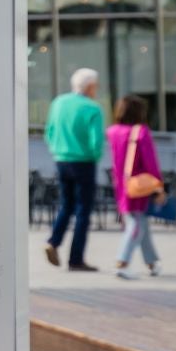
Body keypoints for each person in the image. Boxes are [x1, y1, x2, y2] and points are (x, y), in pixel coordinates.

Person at [43, 66, 106, 272]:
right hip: (84, 162)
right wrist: (95, 156)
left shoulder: (58, 103)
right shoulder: (93, 108)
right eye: (95, 86)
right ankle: (76, 259)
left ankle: (53, 241)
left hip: (61, 160)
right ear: (89, 86)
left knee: (66, 204)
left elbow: (49, 131)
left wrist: (57, 151)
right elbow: (97, 141)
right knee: (83, 211)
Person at [108, 94, 165, 280]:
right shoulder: (141, 132)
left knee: (140, 223)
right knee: (137, 224)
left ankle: (152, 263)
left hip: (122, 184)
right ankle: (122, 262)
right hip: (139, 184)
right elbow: (150, 161)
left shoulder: (113, 131)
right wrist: (158, 186)